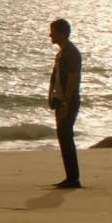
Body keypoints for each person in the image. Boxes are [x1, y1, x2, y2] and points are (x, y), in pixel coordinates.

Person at [48, 18, 82, 188]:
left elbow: (72, 80)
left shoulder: (71, 53)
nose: (50, 35)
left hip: (69, 102)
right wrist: (52, 96)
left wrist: (65, 103)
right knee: (63, 137)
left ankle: (73, 178)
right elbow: (56, 78)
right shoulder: (62, 53)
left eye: (53, 32)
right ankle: (71, 177)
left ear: (61, 33)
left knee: (66, 137)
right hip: (61, 101)